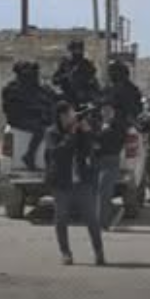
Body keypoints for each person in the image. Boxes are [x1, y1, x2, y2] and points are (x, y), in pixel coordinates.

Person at [45, 101, 104, 266]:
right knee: (61, 218)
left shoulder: (79, 130)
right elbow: (58, 153)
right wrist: (71, 134)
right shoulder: (52, 132)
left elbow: (90, 149)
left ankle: (99, 251)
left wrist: (86, 132)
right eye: (66, 115)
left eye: (71, 114)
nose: (70, 118)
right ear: (60, 117)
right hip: (61, 182)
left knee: (91, 218)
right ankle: (65, 252)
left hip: (82, 181)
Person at [1, 61, 57, 171]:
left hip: (30, 118)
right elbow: (14, 107)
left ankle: (51, 160)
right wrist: (37, 109)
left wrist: (48, 98)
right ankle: (29, 156)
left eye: (34, 75)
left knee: (52, 126)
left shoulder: (33, 87)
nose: (33, 78)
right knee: (40, 129)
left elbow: (45, 98)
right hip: (18, 119)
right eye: (30, 75)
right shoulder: (12, 89)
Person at [93, 99, 128, 231]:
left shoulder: (117, 126)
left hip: (110, 160)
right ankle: (103, 219)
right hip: (98, 160)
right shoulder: (98, 124)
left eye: (109, 110)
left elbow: (115, 141)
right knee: (97, 193)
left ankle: (102, 223)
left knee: (104, 192)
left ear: (113, 112)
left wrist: (100, 140)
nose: (106, 113)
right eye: (104, 110)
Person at [52, 40, 100, 108]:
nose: (77, 52)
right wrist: (66, 76)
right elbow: (55, 80)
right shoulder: (65, 64)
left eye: (79, 50)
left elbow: (93, 80)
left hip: (84, 97)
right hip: (68, 96)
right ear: (70, 51)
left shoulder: (86, 64)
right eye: (75, 50)